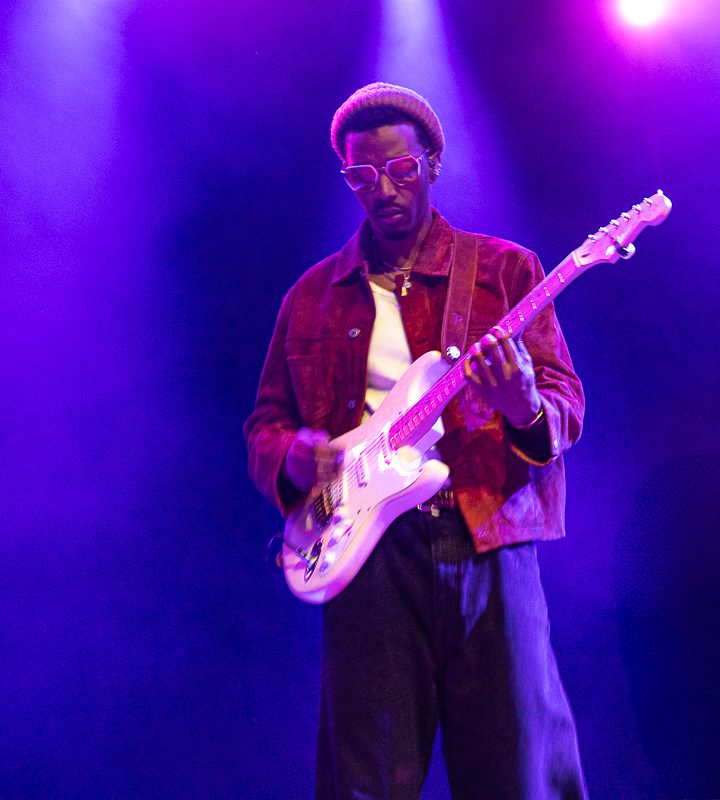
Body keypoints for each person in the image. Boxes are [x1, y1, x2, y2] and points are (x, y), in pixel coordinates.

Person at [243, 82, 588, 800]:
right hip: (368, 554)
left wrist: (520, 401)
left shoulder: (503, 271)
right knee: (365, 781)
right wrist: (300, 454)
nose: (384, 190)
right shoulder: (311, 295)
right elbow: (264, 428)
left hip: (487, 538)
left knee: (518, 772)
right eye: (362, 176)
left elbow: (564, 405)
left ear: (433, 162)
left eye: (401, 170)